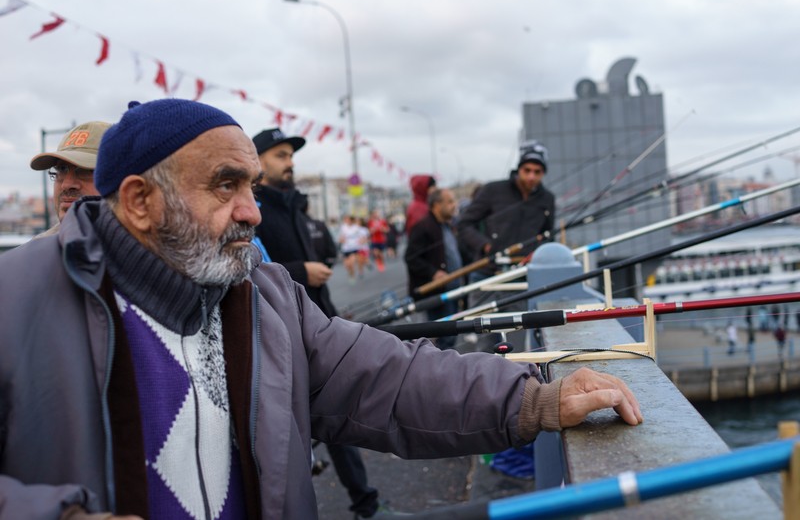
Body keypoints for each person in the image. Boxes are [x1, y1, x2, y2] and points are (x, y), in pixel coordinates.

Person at [0, 98, 642, 520]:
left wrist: (534, 400)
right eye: (226, 185)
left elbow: (389, 378)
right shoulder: (16, 297)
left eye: (251, 185)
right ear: (139, 201)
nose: (251, 211)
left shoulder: (263, 299)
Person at [251, 127, 383, 518]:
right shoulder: (253, 210)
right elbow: (250, 271)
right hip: (278, 336)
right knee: (293, 432)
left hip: (319, 326)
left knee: (334, 414)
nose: (289, 162)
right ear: (257, 162)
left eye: (291, 155)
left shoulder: (298, 208)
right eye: (279, 155)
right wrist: (301, 271)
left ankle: (365, 502)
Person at [457, 143, 555, 352]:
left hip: (520, 280)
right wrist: (485, 246)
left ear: (543, 173)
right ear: (518, 169)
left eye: (537, 172)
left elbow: (548, 236)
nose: (531, 176)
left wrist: (537, 254)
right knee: (484, 344)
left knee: (515, 345)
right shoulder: (493, 190)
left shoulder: (548, 199)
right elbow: (464, 224)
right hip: (486, 277)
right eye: (527, 170)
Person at [404, 188, 463, 350]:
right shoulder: (423, 227)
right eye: (450, 201)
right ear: (437, 205)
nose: (454, 205)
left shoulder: (447, 226)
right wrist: (433, 273)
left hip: (451, 291)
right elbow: (411, 257)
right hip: (436, 295)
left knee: (450, 336)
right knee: (438, 339)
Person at [29, 121, 111, 235]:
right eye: (61, 169)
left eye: (86, 170)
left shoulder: (140, 249)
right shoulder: (36, 250)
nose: (66, 185)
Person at [338, 214, 365, 283]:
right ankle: (351, 274)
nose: (346, 221)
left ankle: (354, 275)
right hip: (346, 248)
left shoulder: (356, 227)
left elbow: (362, 236)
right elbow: (341, 237)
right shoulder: (343, 227)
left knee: (352, 263)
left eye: (348, 219)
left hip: (354, 248)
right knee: (347, 265)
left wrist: (361, 241)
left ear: (351, 220)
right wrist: (341, 240)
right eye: (345, 219)